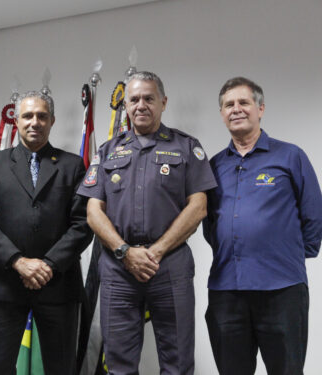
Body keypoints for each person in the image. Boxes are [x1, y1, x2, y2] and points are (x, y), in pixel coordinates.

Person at [78, 71, 217, 375]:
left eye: (148, 98)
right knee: (118, 364)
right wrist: (125, 252)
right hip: (118, 269)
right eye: (134, 99)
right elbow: (93, 212)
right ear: (125, 106)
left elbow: (198, 207)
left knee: (177, 363)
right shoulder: (108, 151)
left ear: (163, 102)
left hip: (170, 265)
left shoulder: (186, 147)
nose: (141, 105)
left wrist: (155, 252)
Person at [203, 77, 322, 375]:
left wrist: (287, 254)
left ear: (260, 108)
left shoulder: (290, 156)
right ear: (222, 114)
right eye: (228, 105)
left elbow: (315, 216)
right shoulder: (213, 166)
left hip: (281, 289)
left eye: (243, 102)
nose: (236, 109)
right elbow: (209, 224)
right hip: (226, 291)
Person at [0, 90, 93, 375]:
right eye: (27, 115)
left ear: (52, 120)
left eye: (42, 116)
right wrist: (19, 262)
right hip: (3, 284)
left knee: (61, 368)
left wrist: (48, 265)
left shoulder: (72, 165)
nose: (34, 122)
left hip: (58, 285)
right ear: (17, 121)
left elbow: (82, 224)